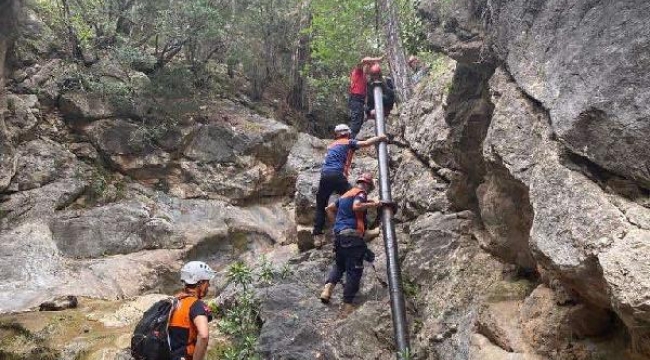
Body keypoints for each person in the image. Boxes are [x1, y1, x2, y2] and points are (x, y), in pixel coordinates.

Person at [319, 173, 385, 315]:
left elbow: (328, 209)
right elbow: (357, 207)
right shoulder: (361, 193)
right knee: (354, 271)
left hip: (340, 237)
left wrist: (338, 224)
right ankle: (347, 305)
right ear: (367, 185)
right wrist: (373, 204)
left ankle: (327, 290)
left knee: (340, 265)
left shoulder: (345, 195)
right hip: (352, 239)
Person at [312, 124, 387, 240]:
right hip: (338, 175)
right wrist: (380, 137)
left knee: (321, 204)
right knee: (357, 196)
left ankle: (317, 235)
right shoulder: (348, 142)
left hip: (325, 176)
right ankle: (364, 231)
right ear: (348, 133)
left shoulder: (331, 145)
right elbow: (366, 143)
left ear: (336, 135)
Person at [169, 261, 216, 360]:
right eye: (207, 282)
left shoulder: (174, 301)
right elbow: (203, 335)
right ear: (200, 283)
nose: (209, 286)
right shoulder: (196, 305)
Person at [349, 56, 383, 138]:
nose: (370, 68)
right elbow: (364, 60)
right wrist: (377, 59)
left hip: (360, 101)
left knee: (359, 121)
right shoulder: (358, 71)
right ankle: (350, 142)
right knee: (356, 122)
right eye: (369, 65)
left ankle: (353, 141)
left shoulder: (364, 77)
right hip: (355, 99)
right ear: (365, 65)